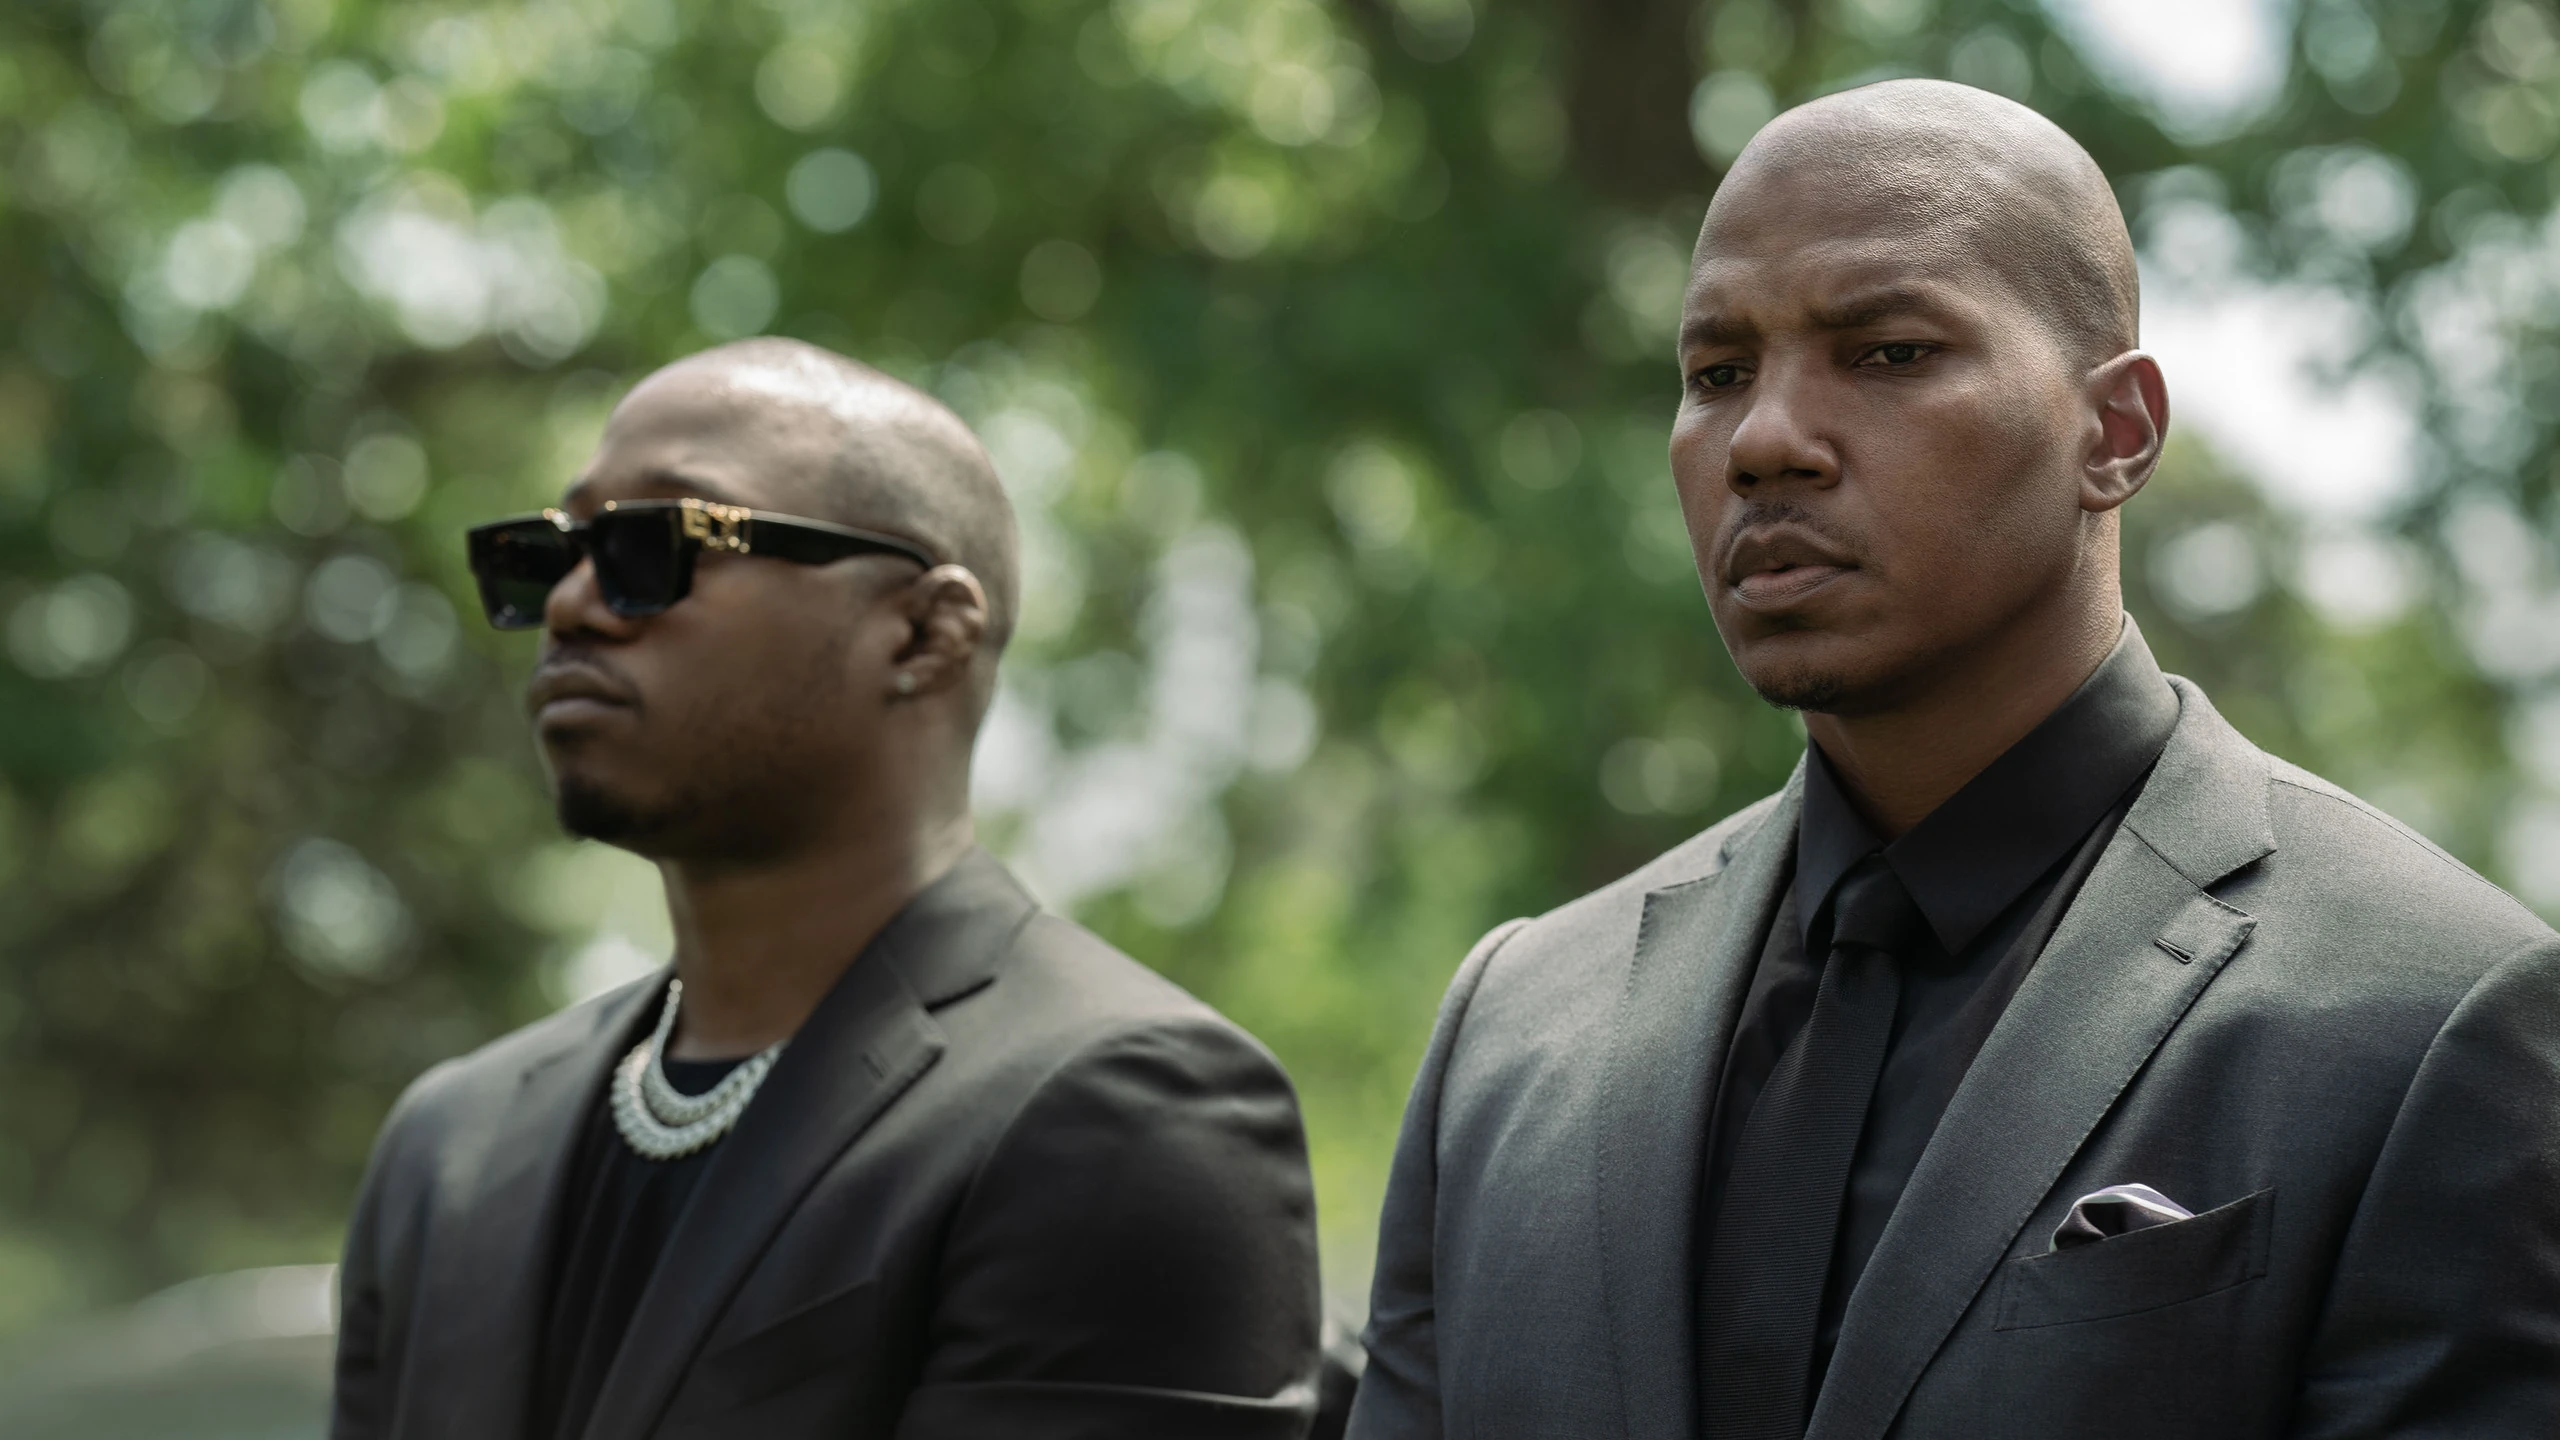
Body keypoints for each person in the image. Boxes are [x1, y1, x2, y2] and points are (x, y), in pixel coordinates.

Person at [1348, 79, 2560, 1440]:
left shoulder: (2431, 1018)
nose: (1765, 441)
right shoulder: (1515, 1030)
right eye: (1717, 374)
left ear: (2116, 433)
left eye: (1887, 353)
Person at [331, 339, 1323, 1439]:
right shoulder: (447, 1146)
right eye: (547, 554)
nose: (571, 603)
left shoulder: (1118, 1116)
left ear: (923, 634)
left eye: (653, 544)